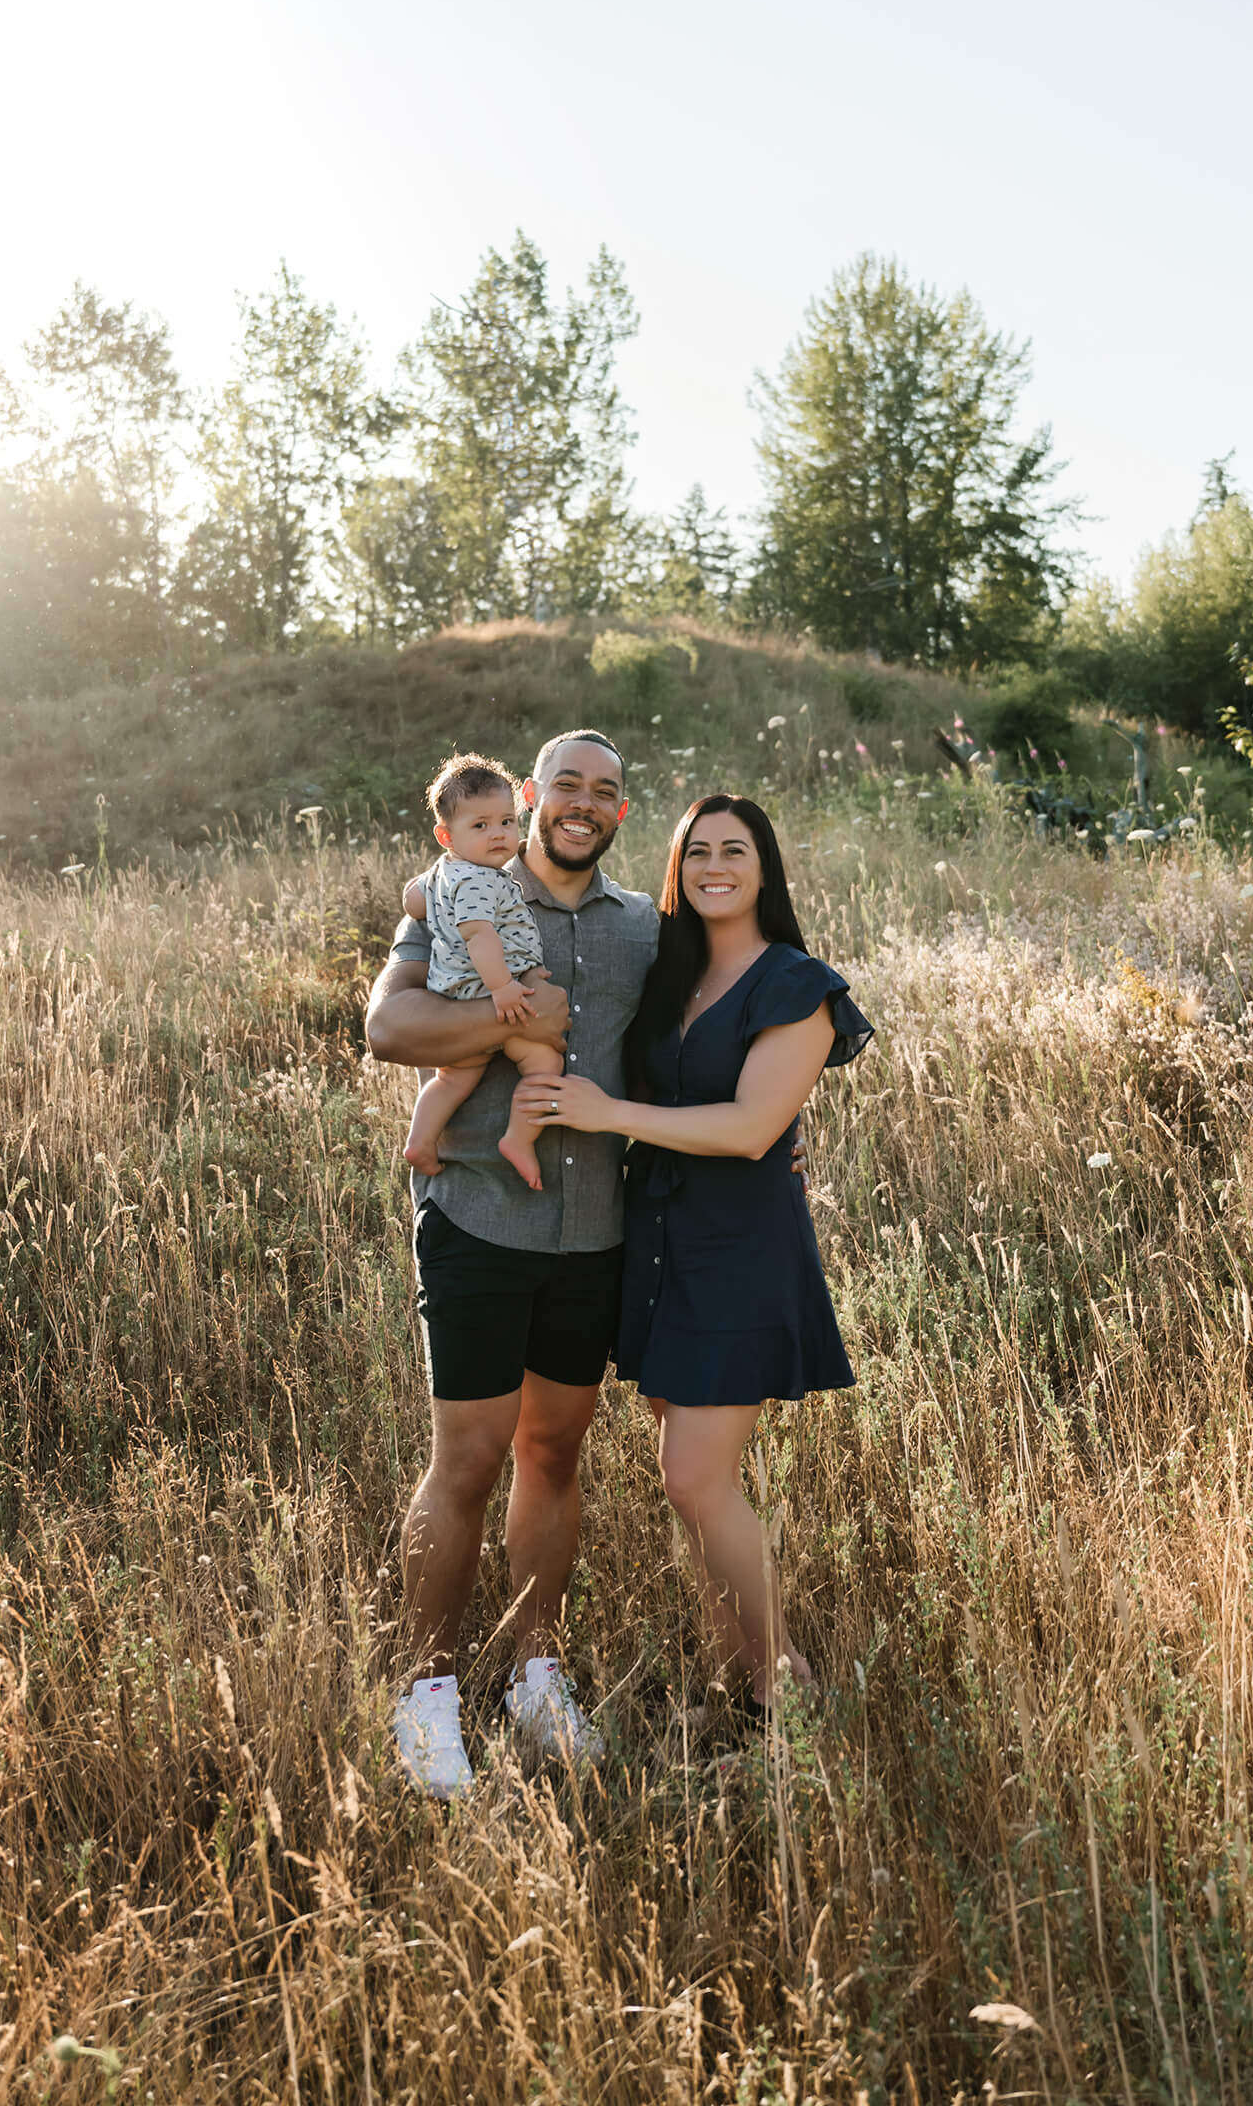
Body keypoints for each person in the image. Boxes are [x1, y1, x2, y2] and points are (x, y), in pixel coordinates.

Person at [513, 794, 871, 1707]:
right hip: (661, 1240)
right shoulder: (669, 976)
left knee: (695, 1478)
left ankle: (793, 1688)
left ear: (764, 867)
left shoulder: (795, 983)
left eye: (735, 850)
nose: (715, 866)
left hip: (739, 1249)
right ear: (676, 868)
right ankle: (745, 1687)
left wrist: (610, 1115)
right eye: (697, 851)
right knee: (686, 1488)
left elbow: (755, 1128)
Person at [364, 730, 658, 1797]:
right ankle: (427, 1692)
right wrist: (509, 1015)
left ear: (622, 811)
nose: (584, 803)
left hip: (592, 1230)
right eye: (567, 785)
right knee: (471, 1459)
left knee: (557, 1455)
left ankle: (539, 1679)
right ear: (534, 795)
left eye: (606, 792)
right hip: (479, 1216)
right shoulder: (461, 890)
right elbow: (388, 1025)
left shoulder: (643, 928)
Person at [399, 755, 563, 1190]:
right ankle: (519, 1138)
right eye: (481, 826)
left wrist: (427, 888)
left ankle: (420, 1139)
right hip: (484, 992)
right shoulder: (478, 881)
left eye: (507, 822)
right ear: (445, 835)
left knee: (452, 1079)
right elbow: (479, 936)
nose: (498, 834)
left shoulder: (444, 873)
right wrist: (504, 988)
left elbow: (412, 902)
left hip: (454, 992)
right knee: (544, 1060)